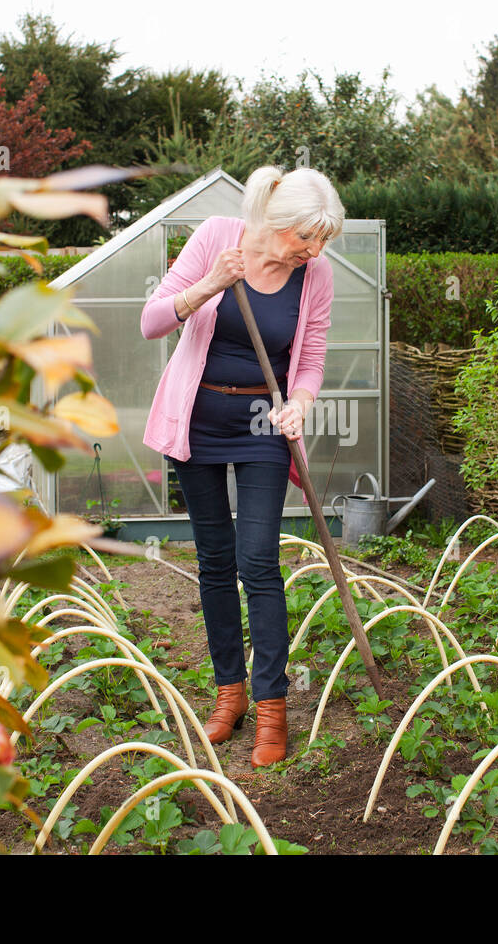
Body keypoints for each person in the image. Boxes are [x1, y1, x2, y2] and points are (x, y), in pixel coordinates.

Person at [140, 166, 343, 767]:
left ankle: (273, 707)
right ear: (277, 221)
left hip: (262, 427)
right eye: (306, 237)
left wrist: (300, 404)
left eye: (322, 240)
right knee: (214, 562)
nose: (313, 250)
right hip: (196, 422)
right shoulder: (217, 238)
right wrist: (208, 284)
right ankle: (229, 696)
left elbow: (309, 359)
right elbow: (152, 320)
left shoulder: (315, 275)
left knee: (259, 560)